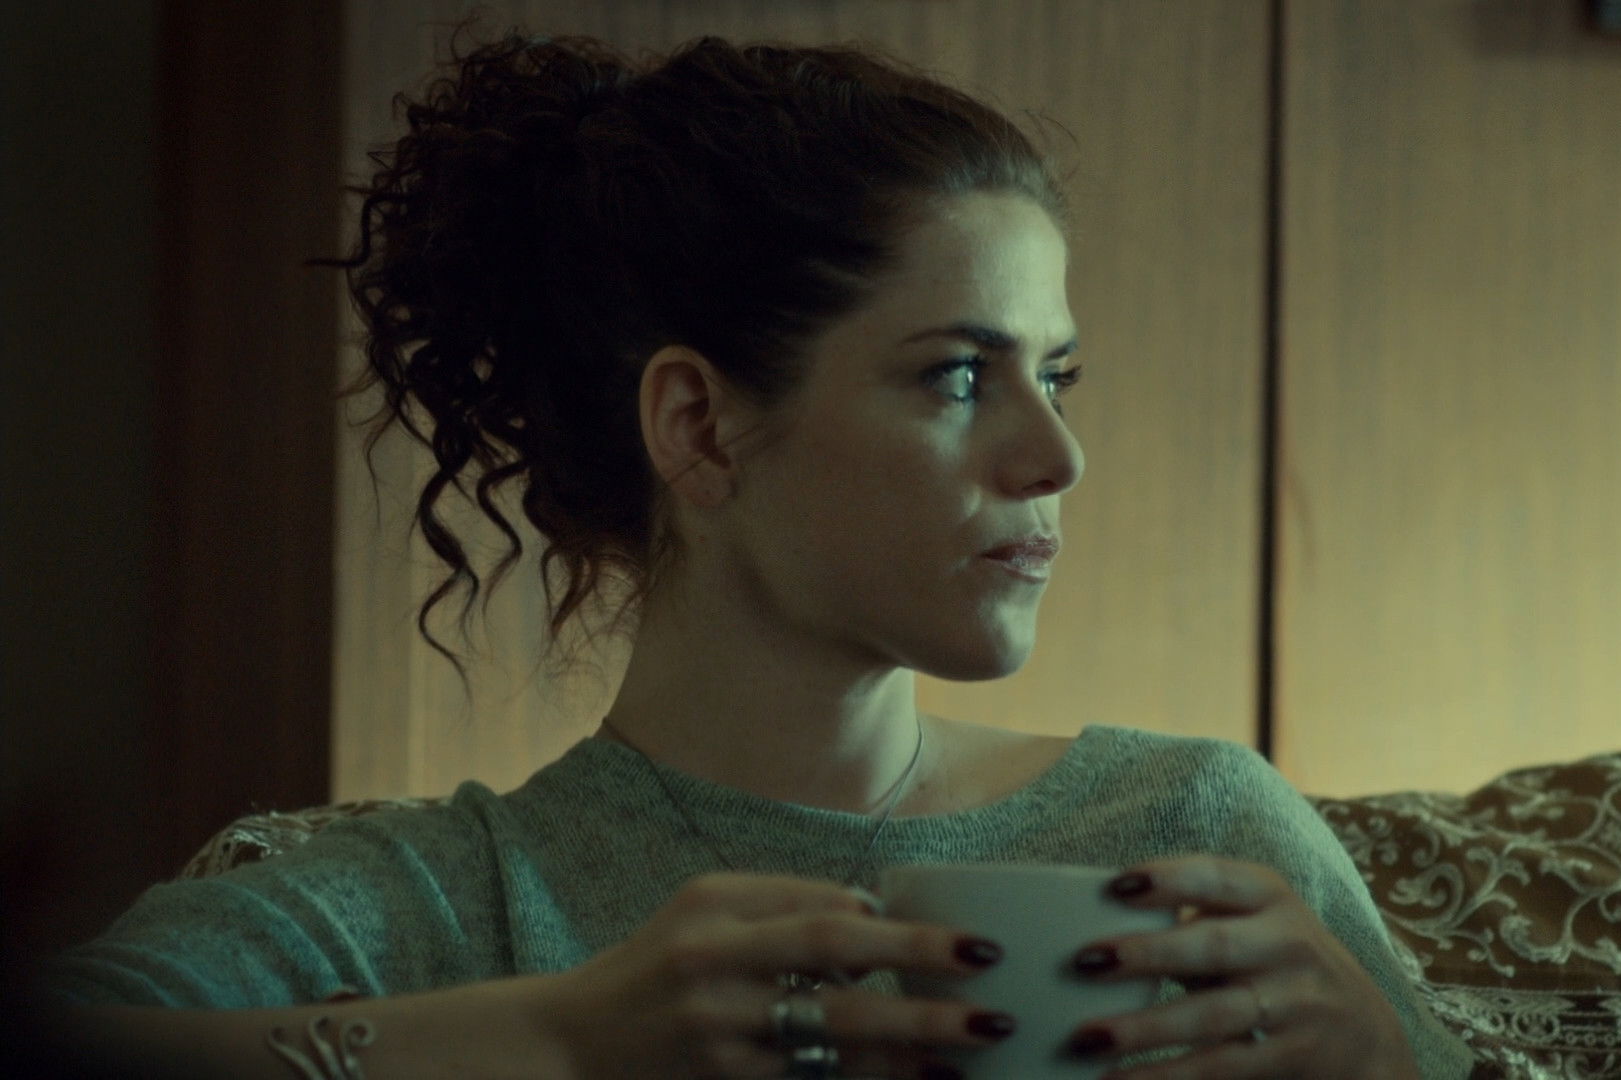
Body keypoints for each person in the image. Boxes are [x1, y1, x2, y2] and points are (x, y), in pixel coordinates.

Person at [31, 18, 1477, 1080]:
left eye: (1059, 376)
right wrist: (562, 1039)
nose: (1057, 457)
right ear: (701, 427)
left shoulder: (1196, 834)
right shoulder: (446, 899)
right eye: (958, 376)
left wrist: (1384, 1065)